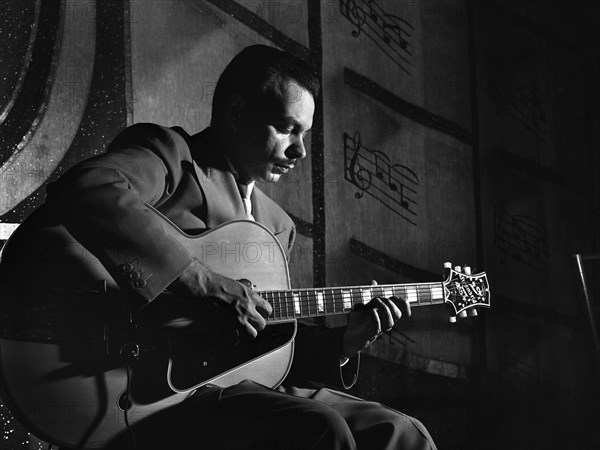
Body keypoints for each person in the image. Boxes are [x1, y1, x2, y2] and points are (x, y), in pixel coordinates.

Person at [41, 45, 437, 449]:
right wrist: (203, 283)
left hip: (242, 387)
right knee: (319, 428)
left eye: (304, 134)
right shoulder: (172, 157)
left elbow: (266, 349)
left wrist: (345, 343)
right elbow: (89, 188)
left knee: (403, 434)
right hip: (161, 390)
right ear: (235, 113)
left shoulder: (278, 226)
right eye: (286, 129)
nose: (299, 150)